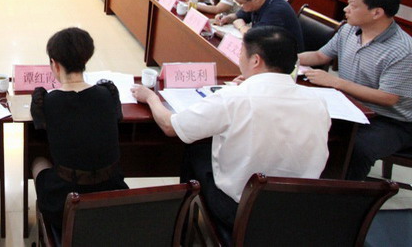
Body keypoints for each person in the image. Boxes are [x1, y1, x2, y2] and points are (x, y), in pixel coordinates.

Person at [132, 26, 330, 240]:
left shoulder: (234, 98)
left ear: (255, 60)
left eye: (241, 52)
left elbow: (171, 127)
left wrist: (151, 98)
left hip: (241, 210)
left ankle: (182, 228)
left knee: (194, 148)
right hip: (298, 209)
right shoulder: (317, 100)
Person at [299, 0, 412, 180]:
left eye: (352, 5)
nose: (346, 9)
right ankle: (308, 179)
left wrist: (337, 82)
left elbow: (389, 98)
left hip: (391, 120)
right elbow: (320, 56)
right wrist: (284, 59)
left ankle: (343, 192)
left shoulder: (402, 50)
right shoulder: (349, 29)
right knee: (304, 121)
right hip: (350, 105)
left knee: (356, 148)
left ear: (376, 12)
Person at [30, 28, 128, 238]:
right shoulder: (107, 94)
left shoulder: (47, 102)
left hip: (66, 205)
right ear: (86, 60)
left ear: (55, 64)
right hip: (113, 198)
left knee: (37, 160)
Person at [216, 0, 303, 50]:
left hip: (286, 56)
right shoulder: (258, 2)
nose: (240, 6)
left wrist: (241, 27)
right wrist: (227, 18)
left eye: (241, 3)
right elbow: (241, 15)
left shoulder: (276, 11)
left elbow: (255, 37)